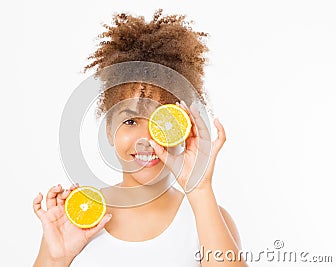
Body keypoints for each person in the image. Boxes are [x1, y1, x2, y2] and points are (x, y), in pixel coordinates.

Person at [33, 9, 247, 267]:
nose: (146, 138)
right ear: (110, 131)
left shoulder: (207, 219)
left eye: (162, 121)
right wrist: (56, 258)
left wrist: (200, 189)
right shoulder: (75, 220)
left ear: (184, 129)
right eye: (130, 121)